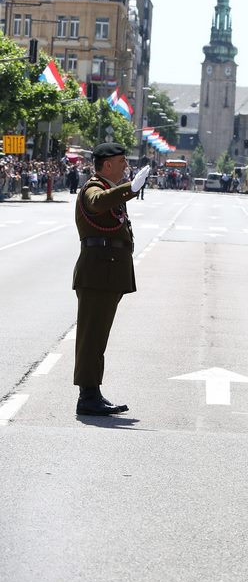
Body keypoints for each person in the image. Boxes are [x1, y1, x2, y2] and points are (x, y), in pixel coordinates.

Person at [72, 142, 151, 416]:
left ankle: (93, 391)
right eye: (122, 162)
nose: (126, 167)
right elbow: (96, 203)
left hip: (108, 272)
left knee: (98, 337)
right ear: (107, 164)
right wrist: (130, 188)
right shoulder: (94, 188)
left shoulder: (107, 189)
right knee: (91, 336)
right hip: (97, 273)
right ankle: (87, 396)